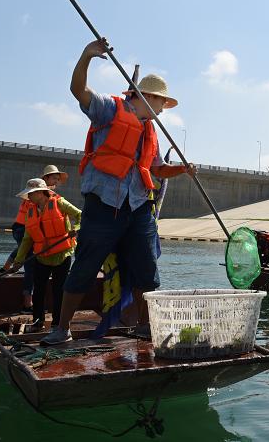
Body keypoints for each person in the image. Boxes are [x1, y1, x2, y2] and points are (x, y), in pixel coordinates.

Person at [40, 38, 195, 345]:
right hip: (104, 206)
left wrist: (182, 169)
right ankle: (62, 328)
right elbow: (78, 91)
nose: (165, 108)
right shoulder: (111, 110)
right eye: (163, 101)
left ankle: (144, 325)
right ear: (147, 96)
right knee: (84, 266)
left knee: (147, 269)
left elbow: (155, 169)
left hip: (138, 207)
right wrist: (86, 55)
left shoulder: (152, 130)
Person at [11, 178, 81, 330]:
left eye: (31, 194)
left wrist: (76, 227)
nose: (28, 197)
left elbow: (80, 215)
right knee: (39, 290)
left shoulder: (60, 203)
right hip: (41, 257)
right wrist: (18, 260)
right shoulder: (30, 212)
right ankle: (38, 322)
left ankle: (58, 323)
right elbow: (27, 239)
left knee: (59, 290)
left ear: (41, 193)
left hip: (62, 255)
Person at [1, 164, 71, 311]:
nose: (56, 182)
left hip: (30, 230)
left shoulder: (52, 197)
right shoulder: (34, 195)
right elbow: (32, 226)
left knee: (25, 252)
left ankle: (6, 268)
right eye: (54, 178)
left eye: (58, 179)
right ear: (45, 179)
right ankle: (27, 303)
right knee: (30, 262)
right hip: (22, 228)